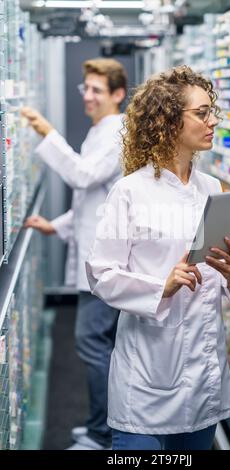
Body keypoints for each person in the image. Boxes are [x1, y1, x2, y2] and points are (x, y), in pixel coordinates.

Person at [86, 65, 230, 451]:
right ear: (168, 120)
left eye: (213, 112)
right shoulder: (130, 191)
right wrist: (163, 285)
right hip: (146, 382)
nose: (212, 122)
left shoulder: (213, 188)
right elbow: (100, 274)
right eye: (202, 113)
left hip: (203, 377)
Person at [23, 58, 127, 450]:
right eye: (85, 87)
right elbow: (92, 198)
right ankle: (102, 424)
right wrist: (57, 225)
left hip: (106, 261)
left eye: (97, 90)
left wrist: (48, 132)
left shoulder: (119, 132)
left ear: (118, 94)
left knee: (91, 341)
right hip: (95, 253)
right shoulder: (102, 130)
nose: (88, 95)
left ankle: (104, 434)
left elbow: (82, 176)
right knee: (97, 343)